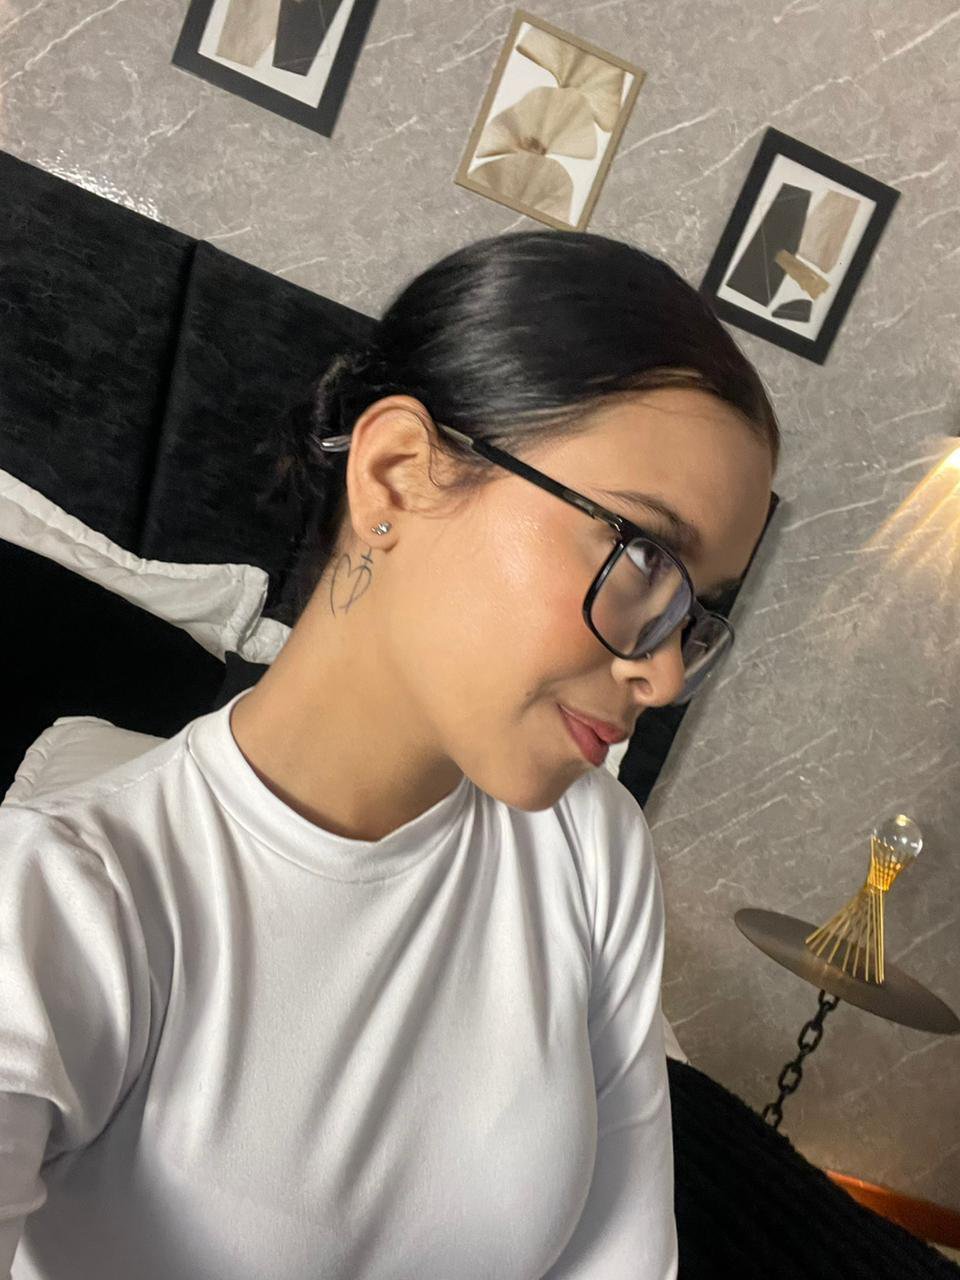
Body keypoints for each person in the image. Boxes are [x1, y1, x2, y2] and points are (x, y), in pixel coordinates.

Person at [0, 229, 777, 1279]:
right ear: (396, 474)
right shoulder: (65, 897)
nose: (668, 671)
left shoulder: (592, 846)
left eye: (698, 611)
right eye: (642, 553)